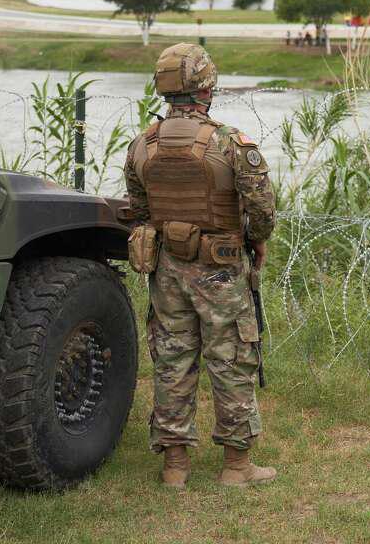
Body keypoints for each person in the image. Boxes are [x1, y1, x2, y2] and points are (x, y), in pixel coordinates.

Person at [123, 43, 277, 489]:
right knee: (231, 360)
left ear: (164, 89)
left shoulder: (142, 145)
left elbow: (138, 209)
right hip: (221, 268)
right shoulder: (231, 143)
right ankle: (236, 466)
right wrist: (258, 242)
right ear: (207, 88)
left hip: (168, 268)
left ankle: (175, 468)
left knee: (172, 360)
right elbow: (261, 208)